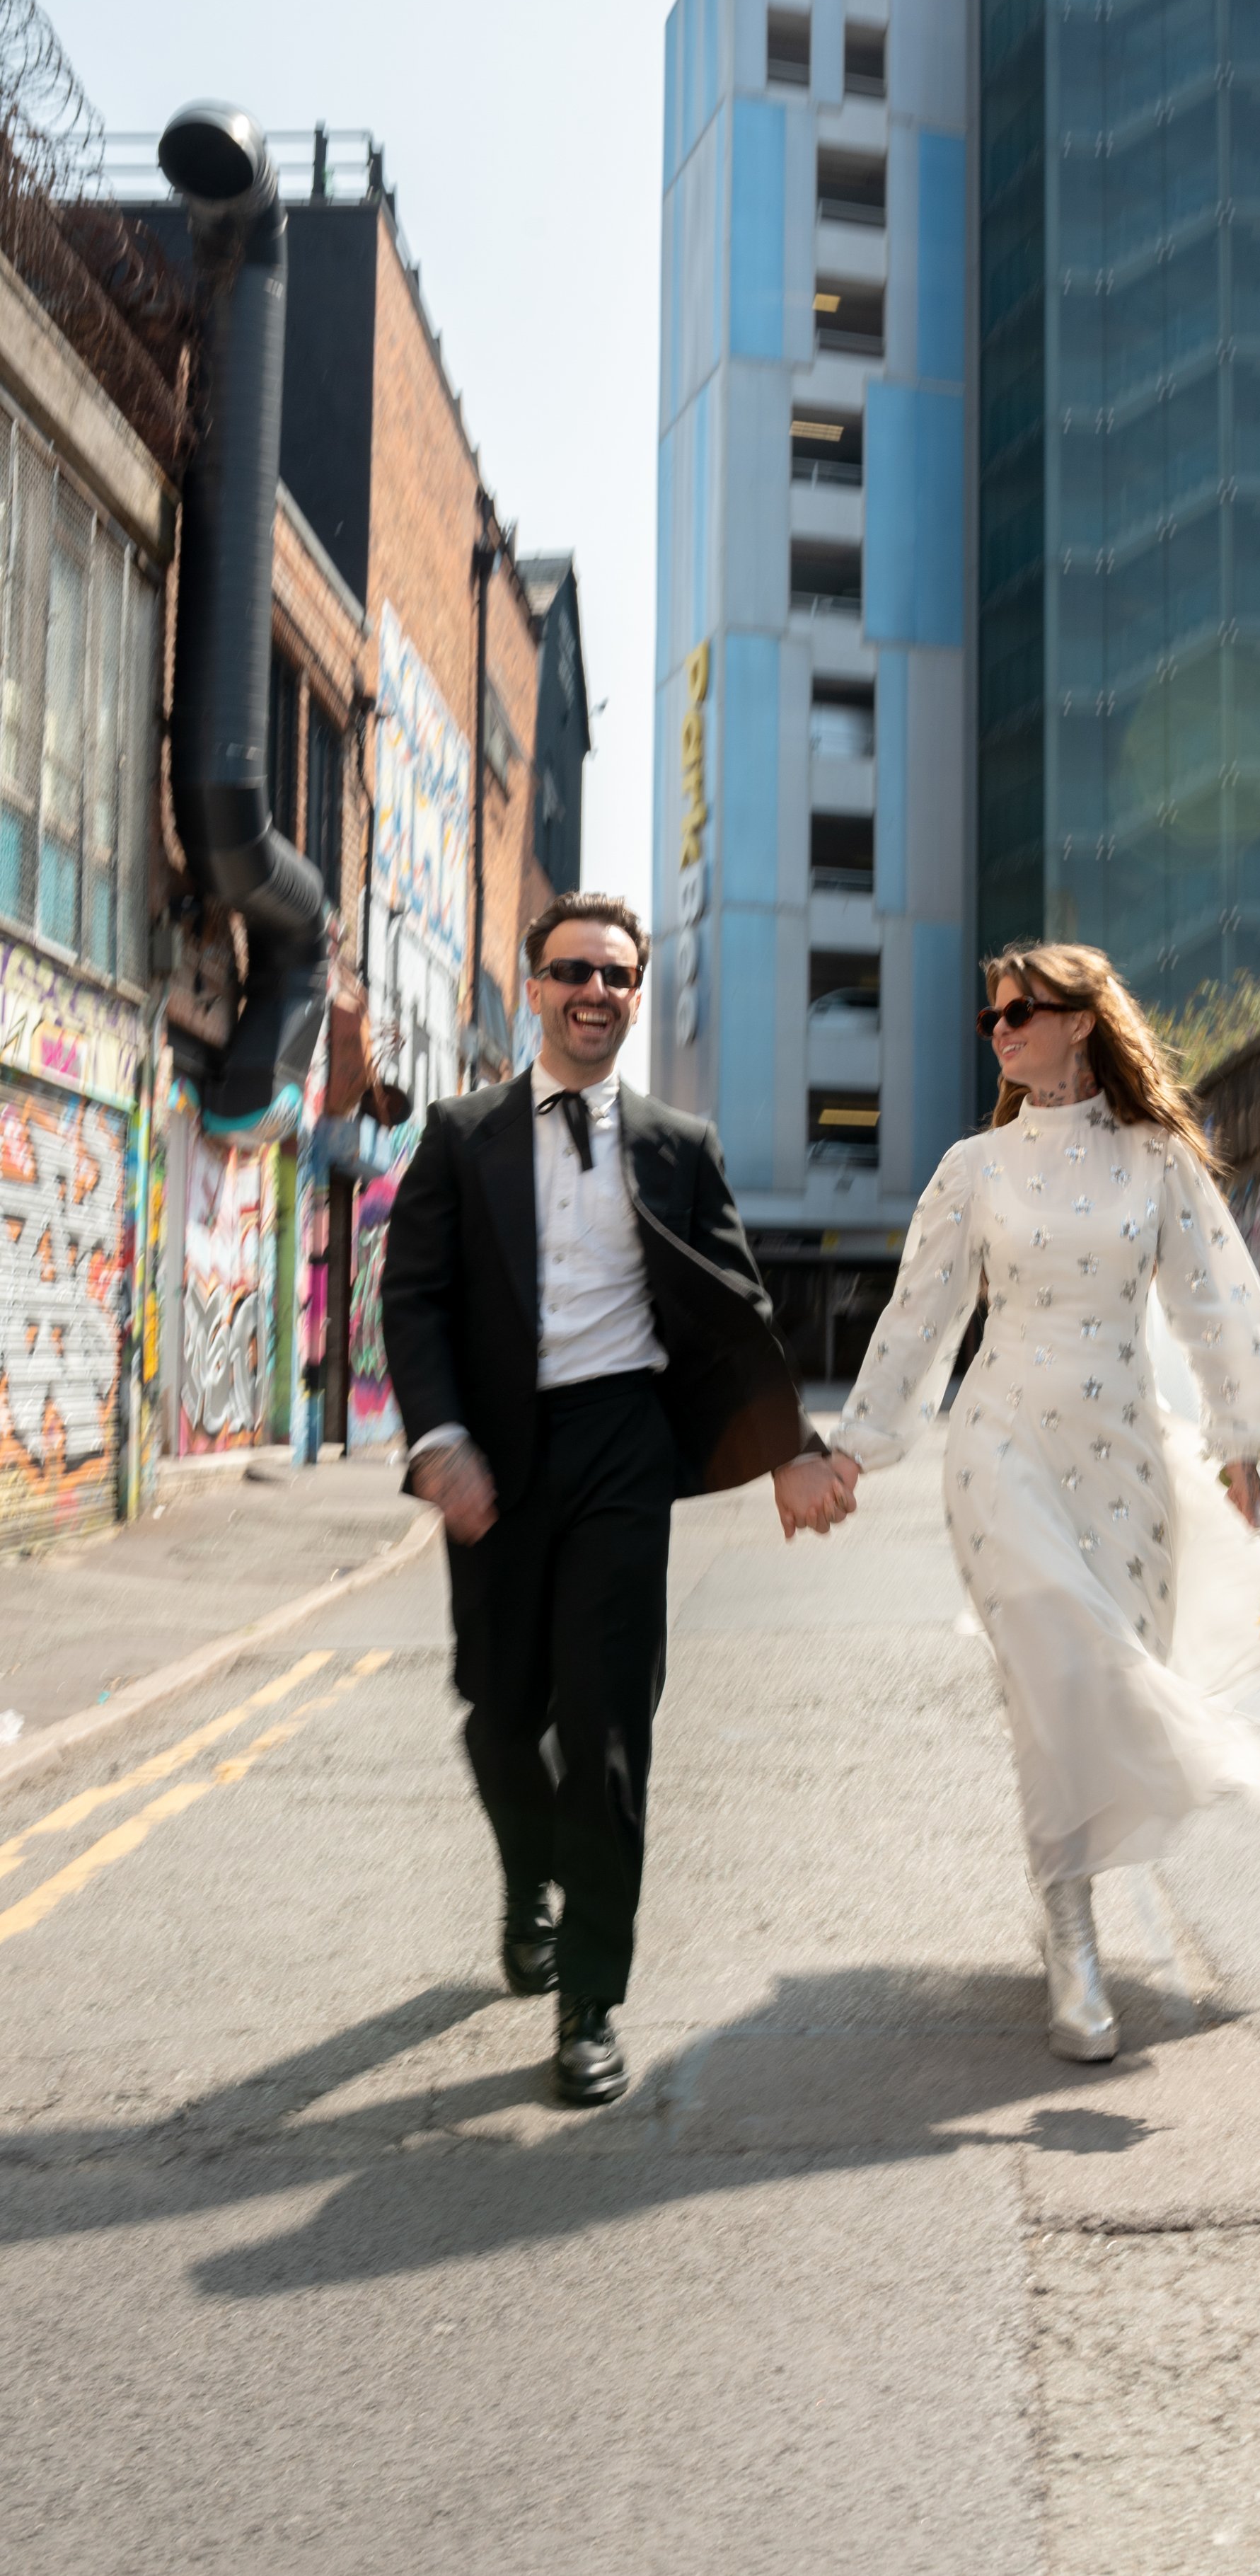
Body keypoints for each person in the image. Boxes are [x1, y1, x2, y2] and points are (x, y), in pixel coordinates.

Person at [381, 891, 852, 2107]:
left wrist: (790, 1448)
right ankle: (527, 1877)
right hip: (493, 1453)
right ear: (536, 986)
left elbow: (737, 1308)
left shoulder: (680, 1144)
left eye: (618, 976)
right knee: (499, 1714)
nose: (596, 991)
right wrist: (438, 1438)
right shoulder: (459, 1134)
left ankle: (590, 2000)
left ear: (637, 996)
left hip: (622, 1447)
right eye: (574, 970)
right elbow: (414, 1296)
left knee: (604, 1731)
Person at [823, 942, 1260, 2063]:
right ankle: (1071, 1928)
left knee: (1094, 1678)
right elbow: (920, 1316)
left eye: (1021, 1011)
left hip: (1124, 1457)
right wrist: (854, 1449)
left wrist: (1244, 1442)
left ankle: (1070, 1893)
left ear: (1082, 1020)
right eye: (992, 1018)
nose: (1001, 1031)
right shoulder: (974, 1168)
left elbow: (1219, 1301)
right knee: (1053, 1647)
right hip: (999, 1446)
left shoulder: (1158, 1161)